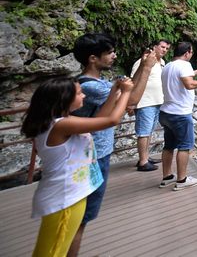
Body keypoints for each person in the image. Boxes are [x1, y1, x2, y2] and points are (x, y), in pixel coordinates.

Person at [21, 76, 134, 257]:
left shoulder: (61, 121)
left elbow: (100, 121)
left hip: (70, 195)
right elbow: (112, 120)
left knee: (57, 248)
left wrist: (115, 91)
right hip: (64, 199)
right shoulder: (61, 125)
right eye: (80, 93)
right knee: (52, 252)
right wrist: (127, 92)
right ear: (64, 99)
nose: (84, 96)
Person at [66, 33, 153, 257]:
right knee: (79, 220)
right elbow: (131, 99)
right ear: (93, 58)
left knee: (79, 218)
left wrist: (142, 66)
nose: (114, 56)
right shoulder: (92, 87)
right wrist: (148, 69)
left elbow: (127, 90)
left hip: (95, 154)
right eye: (110, 52)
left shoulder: (97, 83)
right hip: (91, 157)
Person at [158, 41, 197, 190]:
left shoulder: (168, 66)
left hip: (166, 112)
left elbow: (179, 77)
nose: (191, 55)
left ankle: (167, 177)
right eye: (191, 53)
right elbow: (189, 85)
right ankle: (182, 180)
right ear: (187, 53)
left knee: (169, 146)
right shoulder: (185, 65)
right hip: (180, 114)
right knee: (184, 146)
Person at [130, 39, 170, 171]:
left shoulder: (162, 63)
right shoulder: (142, 62)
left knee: (149, 131)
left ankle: (146, 157)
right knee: (144, 132)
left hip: (157, 101)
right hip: (145, 101)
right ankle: (142, 162)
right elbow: (134, 80)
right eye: (162, 47)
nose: (164, 50)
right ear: (154, 47)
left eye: (167, 48)